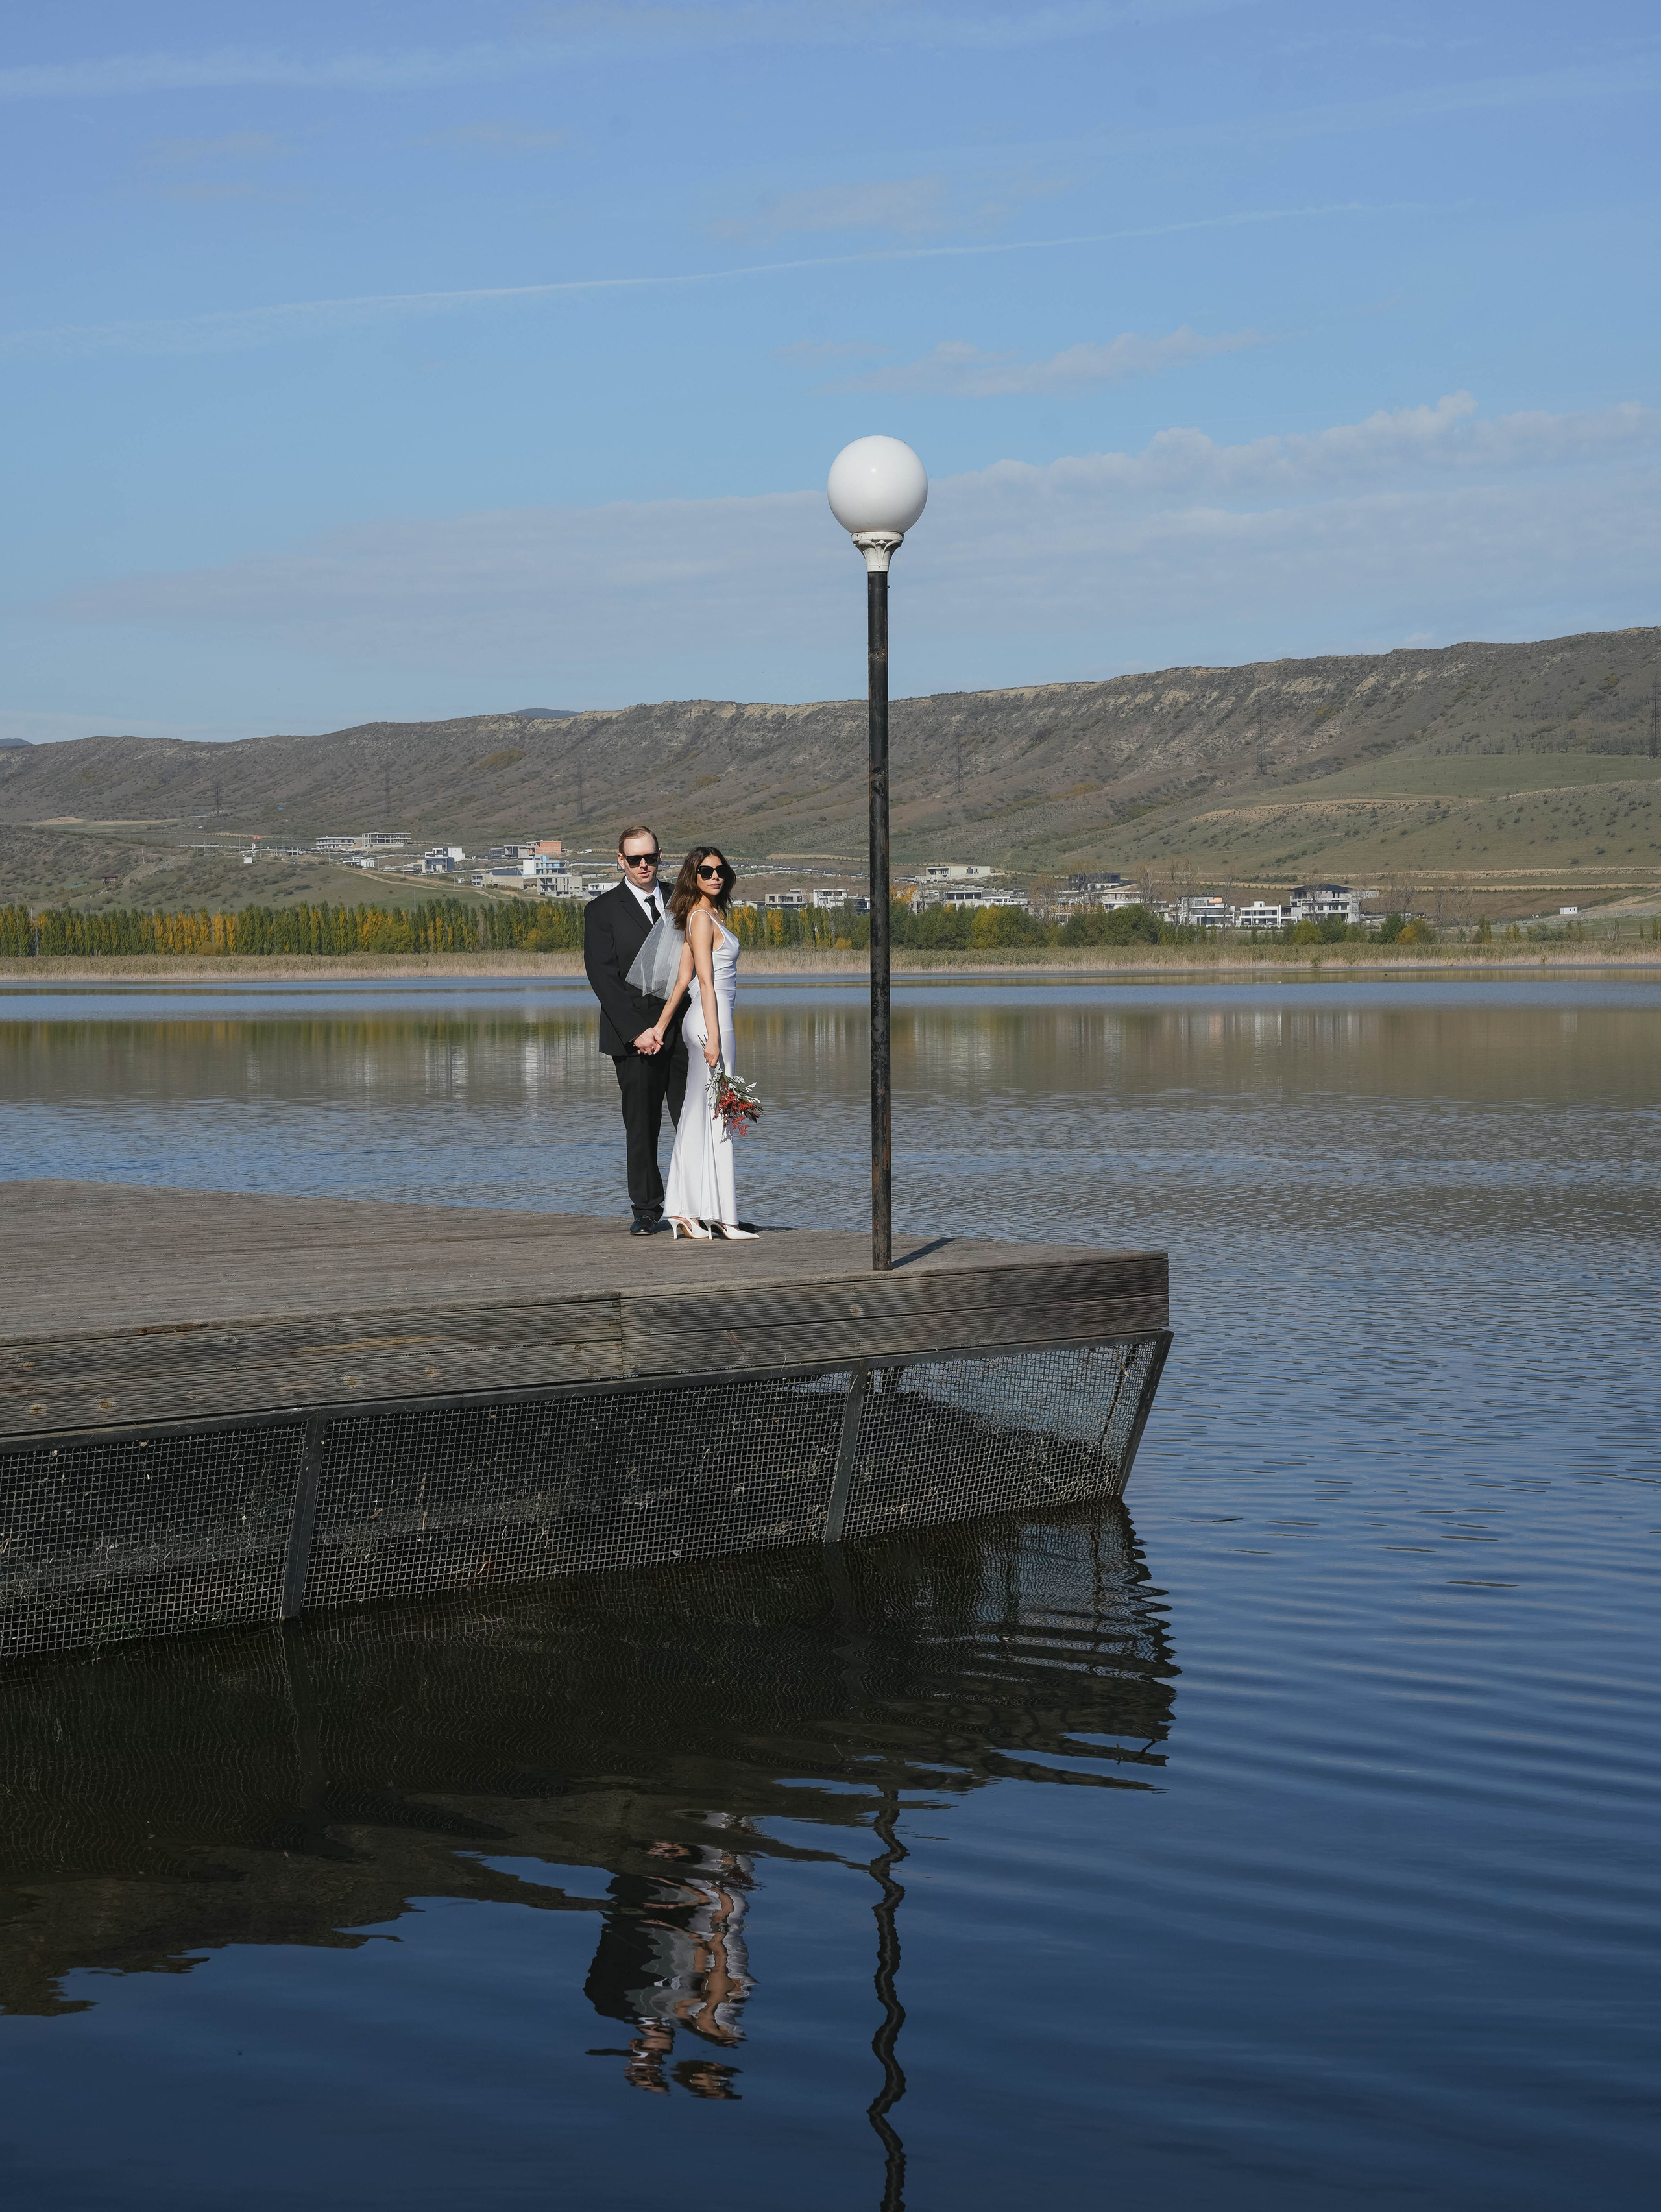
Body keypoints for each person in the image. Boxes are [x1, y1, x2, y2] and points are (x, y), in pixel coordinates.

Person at [647, 845, 758, 1241]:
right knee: (716, 1116)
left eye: (721, 870)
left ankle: (689, 1211)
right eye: (707, 871)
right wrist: (713, 1037)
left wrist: (660, 1028)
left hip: (713, 1020)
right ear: (693, 875)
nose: (716, 876)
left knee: (700, 1115)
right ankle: (721, 1218)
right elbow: (705, 984)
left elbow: (681, 981)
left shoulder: (710, 914)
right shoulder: (698, 917)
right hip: (713, 1024)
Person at [582, 824, 688, 1234]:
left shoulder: (682, 904)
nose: (646, 866)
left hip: (681, 1029)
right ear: (621, 861)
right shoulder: (602, 910)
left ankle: (695, 1205)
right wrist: (638, 1031)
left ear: (661, 857)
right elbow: (603, 978)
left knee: (692, 1121)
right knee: (641, 1125)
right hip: (633, 1037)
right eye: (637, 859)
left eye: (652, 858)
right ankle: (646, 1210)